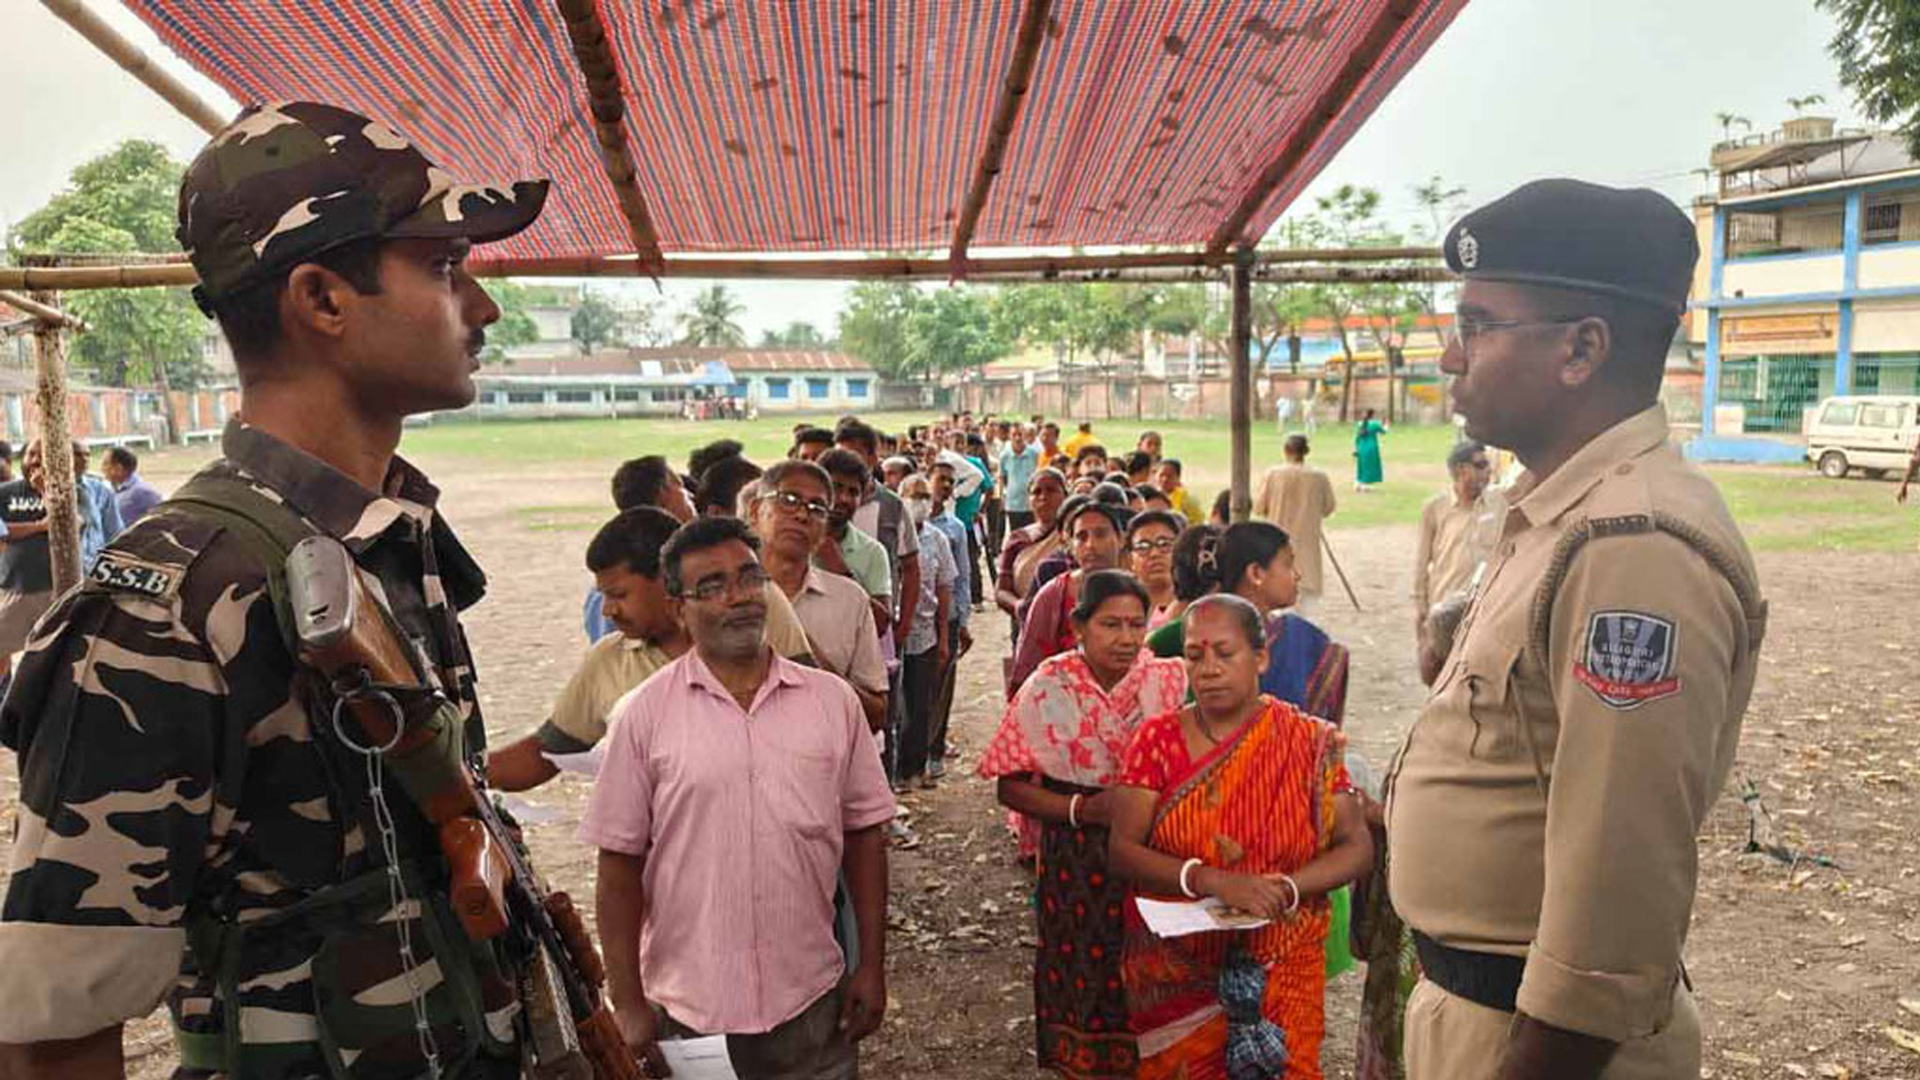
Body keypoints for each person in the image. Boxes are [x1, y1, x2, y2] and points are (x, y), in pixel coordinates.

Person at [0, 100, 553, 1077]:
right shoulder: (160, 610)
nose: (483, 308)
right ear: (322, 299)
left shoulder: (384, 542)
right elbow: (55, 1039)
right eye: (441, 267)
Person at [1386, 179, 1769, 1080]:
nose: (1450, 356)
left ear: (1582, 348)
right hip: (1478, 1013)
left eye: (1478, 325)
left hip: (1542, 1047)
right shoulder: (1560, 513)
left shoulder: (1630, 544)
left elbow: (1615, 897)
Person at [585, 516, 894, 1080]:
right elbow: (619, 866)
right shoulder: (643, 716)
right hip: (690, 1016)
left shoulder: (832, 703)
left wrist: (871, 966)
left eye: (750, 578)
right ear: (679, 606)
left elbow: (865, 836)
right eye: (712, 586)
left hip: (812, 1003)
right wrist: (628, 1004)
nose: (740, 598)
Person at [1109, 594, 1373, 1080]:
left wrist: (1288, 887)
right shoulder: (1157, 740)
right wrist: (1211, 880)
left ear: (1262, 657)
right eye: (1194, 655)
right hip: (1177, 968)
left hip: (1284, 956)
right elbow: (1122, 850)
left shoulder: (1308, 741)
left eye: (1224, 653)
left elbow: (1356, 846)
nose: (1208, 669)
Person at [978, 570, 1188, 1080]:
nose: (1126, 638)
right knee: (1081, 974)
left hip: (1153, 855)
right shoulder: (1050, 686)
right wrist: (1083, 811)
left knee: (1155, 972)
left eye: (1136, 624)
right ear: (1079, 627)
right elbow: (1009, 785)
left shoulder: (1167, 680)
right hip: (1076, 864)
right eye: (1110, 624)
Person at [488, 507, 688, 790]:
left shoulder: (747, 636)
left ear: (669, 579)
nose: (607, 610)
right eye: (603, 595)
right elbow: (544, 754)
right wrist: (464, 777)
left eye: (619, 594)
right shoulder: (608, 661)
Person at [1148, 522, 1349, 724]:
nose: (1297, 575)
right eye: (1288, 565)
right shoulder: (1185, 632)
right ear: (1256, 574)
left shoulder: (1302, 638)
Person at [751, 461, 889, 732]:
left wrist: (811, 663)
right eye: (789, 500)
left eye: (817, 508)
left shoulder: (850, 601)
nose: (802, 515)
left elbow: (875, 716)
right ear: (755, 511)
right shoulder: (724, 599)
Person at [1008, 498, 1127, 696]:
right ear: (1070, 546)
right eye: (1081, 537)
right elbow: (1028, 667)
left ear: (1121, 539)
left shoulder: (1139, 591)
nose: (1091, 545)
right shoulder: (1054, 595)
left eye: (1101, 534)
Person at [1411, 440, 1504, 654]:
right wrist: (1421, 608)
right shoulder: (1434, 508)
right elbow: (1421, 562)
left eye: (1488, 465)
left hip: (1487, 610)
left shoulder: (1500, 502)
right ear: (1461, 471)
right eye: (1481, 466)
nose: (1489, 471)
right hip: (1445, 614)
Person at [895, 472, 956, 789]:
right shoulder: (890, 535)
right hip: (892, 633)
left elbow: (945, 587)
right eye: (912, 495)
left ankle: (913, 768)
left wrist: (944, 637)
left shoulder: (938, 539)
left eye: (923, 496)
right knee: (895, 704)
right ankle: (893, 768)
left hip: (926, 632)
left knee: (919, 704)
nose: (918, 502)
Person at [924, 459, 974, 782]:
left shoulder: (954, 528)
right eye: (940, 479)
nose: (944, 486)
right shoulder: (906, 521)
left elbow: (963, 577)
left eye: (950, 482)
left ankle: (935, 750)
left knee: (942, 685)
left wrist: (963, 619)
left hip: (949, 616)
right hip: (917, 617)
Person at [1253, 433, 1336, 604]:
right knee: (1307, 606)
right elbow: (1328, 508)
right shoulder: (1319, 477)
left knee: (1277, 607)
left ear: (1285, 451)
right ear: (1306, 451)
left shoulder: (1273, 475)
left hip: (1277, 548)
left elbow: (1258, 507)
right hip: (1307, 550)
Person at [0, 440, 64, 657]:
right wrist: (40, 526)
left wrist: (44, 490)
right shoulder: (5, 492)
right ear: (22, 459)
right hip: (15, 588)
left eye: (43, 455)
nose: (36, 460)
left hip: (57, 592)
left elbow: (70, 525)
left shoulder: (68, 491)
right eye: (31, 454)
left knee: (53, 655)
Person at [996, 467, 1070, 634]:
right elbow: (1001, 590)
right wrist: (1021, 608)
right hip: (1025, 625)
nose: (1043, 497)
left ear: (1066, 495)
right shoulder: (1018, 539)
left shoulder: (1075, 536)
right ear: (1029, 500)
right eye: (1036, 492)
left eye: (1051, 490)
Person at [1124, 509, 1184, 628]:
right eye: (1143, 547)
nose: (1154, 554)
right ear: (1130, 559)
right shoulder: (1121, 607)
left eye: (1164, 544)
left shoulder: (1192, 608)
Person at [72, 442, 124, 568]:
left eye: (87, 455)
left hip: (95, 565)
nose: (84, 459)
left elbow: (114, 532)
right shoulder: (49, 489)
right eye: (77, 454)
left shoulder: (101, 490)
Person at [102, 446, 163, 525]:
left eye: (105, 464)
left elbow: (162, 517)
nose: (102, 468)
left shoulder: (142, 492)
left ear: (118, 468)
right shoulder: (112, 489)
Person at [1000, 424, 1041, 532]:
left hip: (1030, 504)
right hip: (1013, 504)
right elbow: (1003, 478)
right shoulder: (1005, 456)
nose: (1017, 438)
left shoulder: (1034, 455)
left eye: (1020, 435)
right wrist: (1003, 497)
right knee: (1016, 535)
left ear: (1025, 436)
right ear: (1010, 436)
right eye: (1014, 435)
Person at [1152, 457, 1206, 524]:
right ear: (1155, 475)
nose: (1164, 479)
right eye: (1161, 475)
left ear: (1178, 478)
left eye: (1170, 476)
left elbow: (1198, 522)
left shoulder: (1187, 499)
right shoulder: (1150, 496)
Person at [1353, 408, 1388, 492]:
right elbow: (1384, 431)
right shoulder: (1374, 424)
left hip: (1361, 447)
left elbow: (1357, 437)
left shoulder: (1359, 424)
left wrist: (1356, 448)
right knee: (1369, 467)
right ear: (1372, 415)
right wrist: (1386, 424)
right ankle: (1365, 486)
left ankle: (1358, 484)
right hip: (1371, 448)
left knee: (1361, 466)